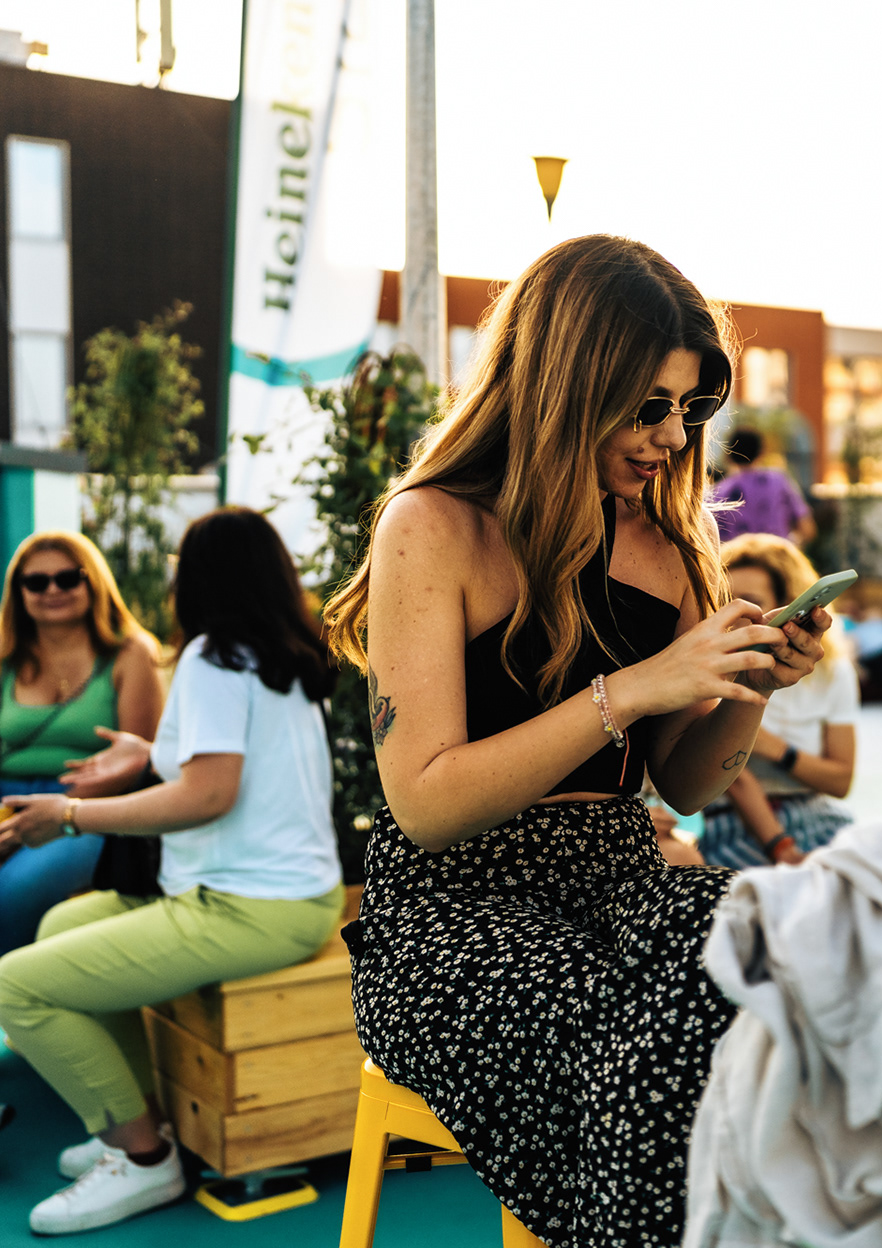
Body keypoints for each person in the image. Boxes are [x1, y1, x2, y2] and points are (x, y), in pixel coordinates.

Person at [321, 235, 829, 1247]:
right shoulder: (432, 526)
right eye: (648, 406)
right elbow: (425, 803)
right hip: (452, 909)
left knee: (792, 957)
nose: (673, 436)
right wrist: (631, 689)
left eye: (690, 408)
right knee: (648, 1025)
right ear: (565, 383)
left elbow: (687, 787)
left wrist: (750, 689)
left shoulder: (671, 547)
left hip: (618, 878)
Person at [0, 507, 345, 1235]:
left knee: (14, 986)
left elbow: (208, 795)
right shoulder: (278, 656)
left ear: (197, 579)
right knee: (61, 923)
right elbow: (219, 764)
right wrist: (146, 751)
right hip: (277, 896)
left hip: (246, 907)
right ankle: (136, 1121)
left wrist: (70, 815)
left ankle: (144, 1158)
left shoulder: (213, 657)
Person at [0, 532, 164, 955]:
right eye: (36, 582)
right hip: (7, 799)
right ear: (18, 593)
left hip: (88, 809)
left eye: (68, 578)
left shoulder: (130, 654)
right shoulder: (5, 657)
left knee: (12, 891)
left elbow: (138, 764)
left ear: (94, 582)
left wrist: (44, 817)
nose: (52, 590)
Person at [699, 534, 859, 868]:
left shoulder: (832, 672)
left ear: (788, 609)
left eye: (750, 603)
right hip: (732, 820)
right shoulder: (709, 669)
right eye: (725, 601)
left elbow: (840, 780)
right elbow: (735, 781)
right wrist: (780, 847)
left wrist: (773, 748)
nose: (734, 616)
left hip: (814, 812)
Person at [711, 428, 815, 544]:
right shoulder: (779, 482)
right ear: (761, 452)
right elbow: (806, 528)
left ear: (728, 455)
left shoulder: (717, 493)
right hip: (776, 553)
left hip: (736, 555)